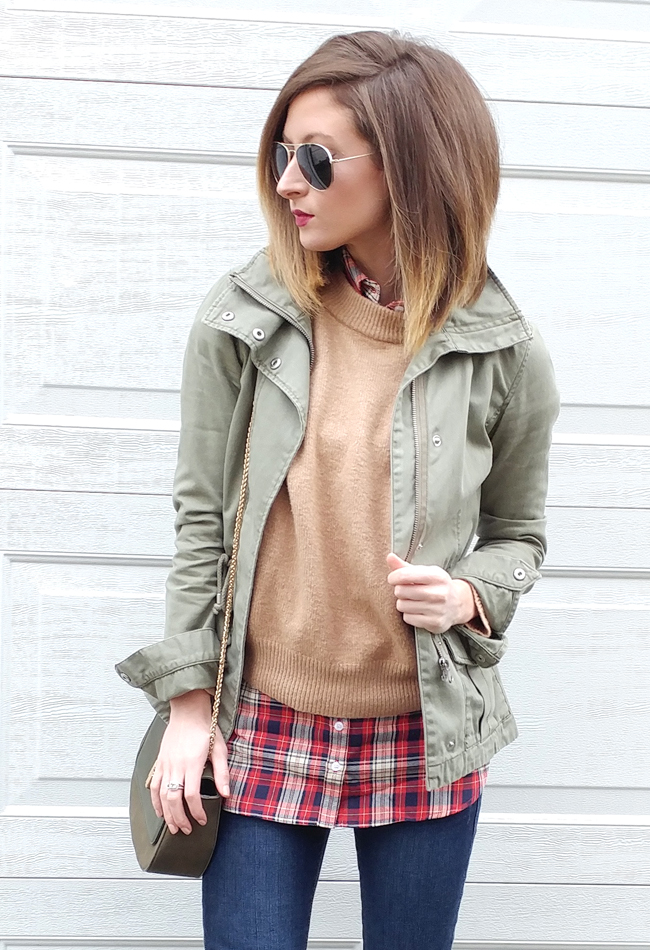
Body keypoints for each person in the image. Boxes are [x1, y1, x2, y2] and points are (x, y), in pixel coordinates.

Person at [116, 29, 560, 950]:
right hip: (262, 720)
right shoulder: (245, 320)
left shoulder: (504, 352)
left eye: (316, 160)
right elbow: (202, 523)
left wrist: (471, 594)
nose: (288, 183)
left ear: (412, 166)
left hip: (425, 729)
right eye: (284, 154)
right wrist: (188, 707)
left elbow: (519, 534)